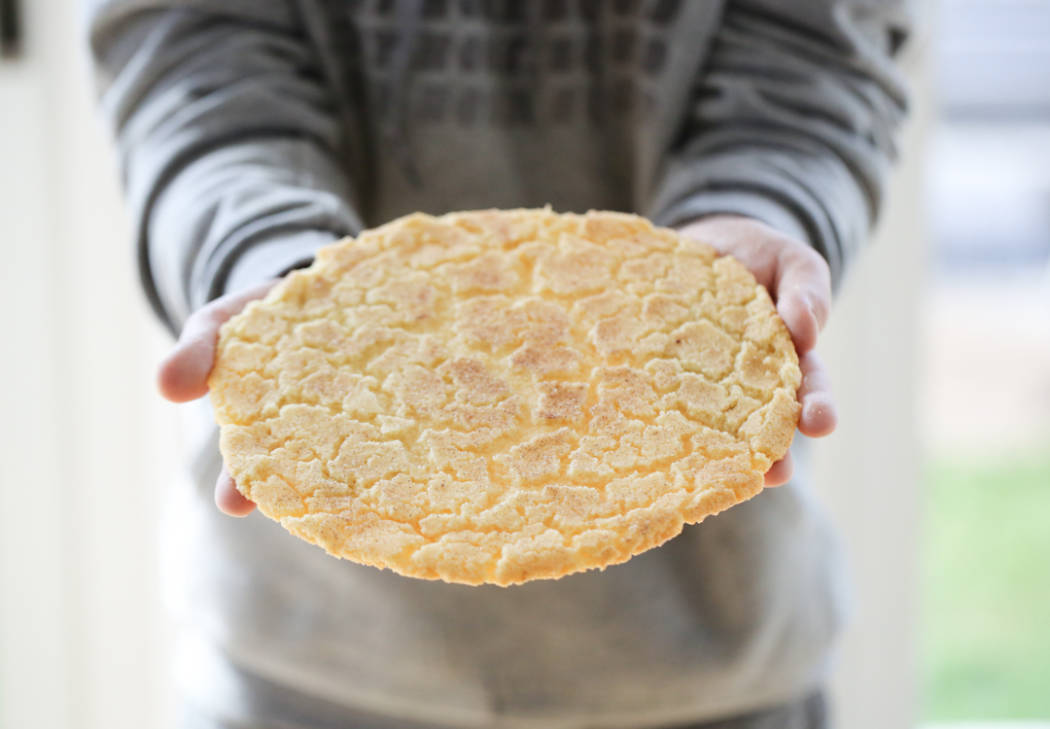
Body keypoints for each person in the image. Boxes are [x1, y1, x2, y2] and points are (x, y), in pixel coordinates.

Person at [89, 1, 911, 727]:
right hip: (305, 651)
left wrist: (748, 235)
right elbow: (194, 58)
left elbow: (812, 61)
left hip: (707, 651)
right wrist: (270, 268)